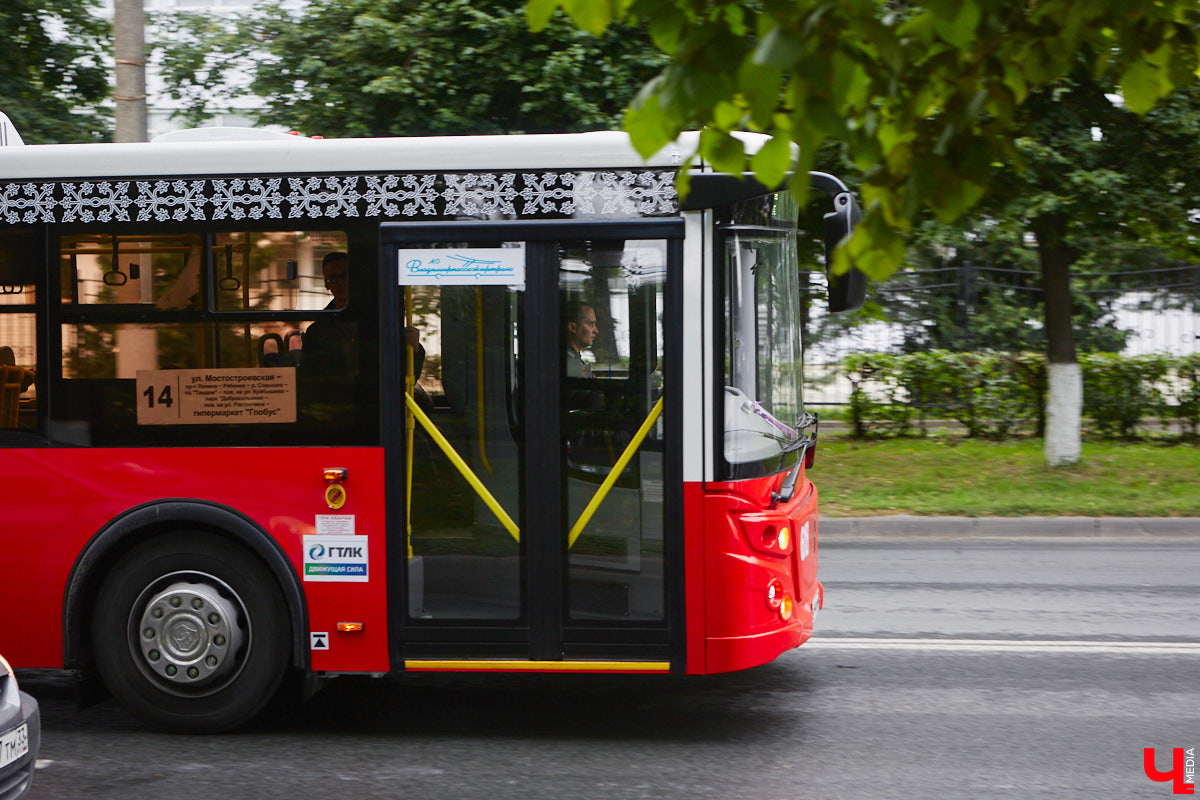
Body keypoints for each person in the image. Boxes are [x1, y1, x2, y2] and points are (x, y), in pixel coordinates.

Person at [563, 300, 598, 378]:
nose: (596, 331)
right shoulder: (569, 363)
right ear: (573, 327)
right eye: (590, 324)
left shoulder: (572, 358)